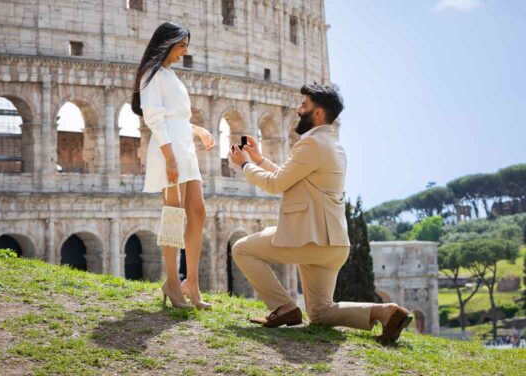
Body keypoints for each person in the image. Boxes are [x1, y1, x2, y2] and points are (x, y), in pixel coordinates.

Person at [229, 84, 412, 343]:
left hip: (309, 240)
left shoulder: (311, 144)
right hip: (333, 244)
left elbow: (276, 184)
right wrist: (259, 160)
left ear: (318, 113)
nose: (297, 109)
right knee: (321, 312)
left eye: (304, 105)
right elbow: (290, 178)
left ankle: (284, 308)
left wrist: (245, 165)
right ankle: (386, 312)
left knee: (242, 249)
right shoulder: (332, 144)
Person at [132, 22, 216, 310]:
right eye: (181, 46)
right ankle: (171, 281)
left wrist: (199, 130)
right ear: (167, 43)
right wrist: (169, 157)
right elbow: (154, 117)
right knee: (173, 214)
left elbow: (177, 118)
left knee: (198, 211)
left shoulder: (171, 75)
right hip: (168, 150)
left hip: (184, 147)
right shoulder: (151, 73)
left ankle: (190, 282)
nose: (184, 52)